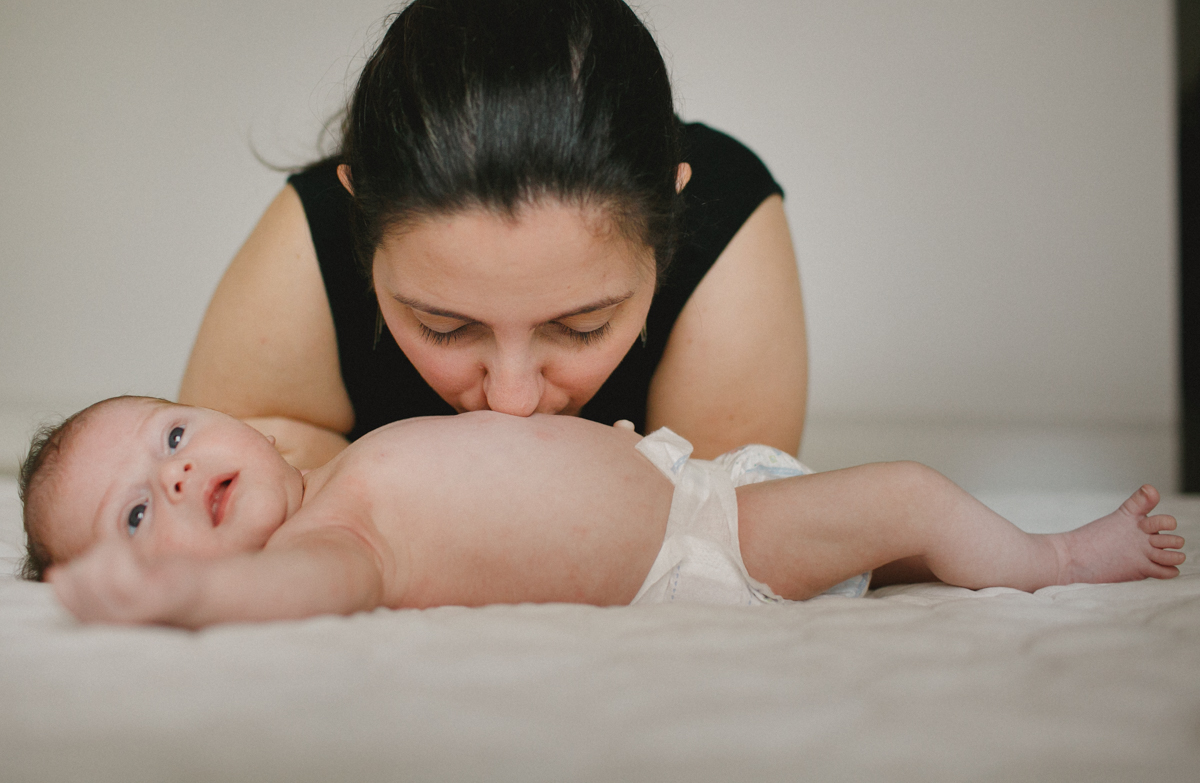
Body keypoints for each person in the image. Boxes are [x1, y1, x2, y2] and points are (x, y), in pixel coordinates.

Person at [178, 0, 808, 472]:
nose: (512, 401)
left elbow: (727, 531)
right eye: (442, 326)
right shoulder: (310, 234)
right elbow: (213, 485)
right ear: (358, 215)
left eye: (584, 326)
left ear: (671, 215)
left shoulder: (727, 218)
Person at [19, 396, 1185, 628]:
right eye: (137, 515)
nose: (176, 474)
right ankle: (1058, 555)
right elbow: (309, 586)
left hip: (703, 483)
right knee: (909, 494)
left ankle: (966, 559)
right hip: (701, 543)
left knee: (892, 546)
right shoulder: (339, 537)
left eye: (172, 435)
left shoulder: (343, 468)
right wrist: (196, 592)